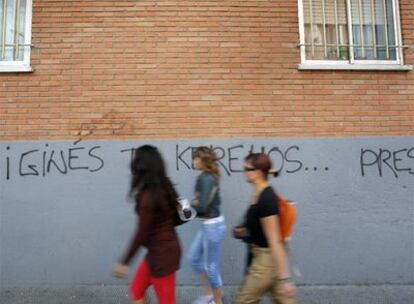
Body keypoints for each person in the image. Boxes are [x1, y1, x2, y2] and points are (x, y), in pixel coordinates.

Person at [113, 145, 182, 304]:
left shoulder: (148, 197)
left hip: (163, 256)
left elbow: (141, 233)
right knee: (136, 290)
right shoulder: (165, 185)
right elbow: (179, 214)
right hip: (157, 252)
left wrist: (125, 262)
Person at [234, 153, 296, 304]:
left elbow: (275, 241)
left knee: (243, 300)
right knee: (284, 301)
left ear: (259, 172)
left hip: (266, 261)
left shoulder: (266, 199)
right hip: (261, 256)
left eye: (247, 168)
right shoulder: (257, 195)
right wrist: (244, 232)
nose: (244, 171)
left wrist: (285, 278)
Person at [187, 146, 227, 304]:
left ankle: (217, 301)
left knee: (211, 268)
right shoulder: (207, 176)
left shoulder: (206, 178)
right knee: (193, 258)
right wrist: (192, 204)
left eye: (196, 158)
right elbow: (203, 203)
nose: (194, 161)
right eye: (194, 158)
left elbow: (202, 207)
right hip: (209, 225)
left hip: (213, 227)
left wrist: (187, 208)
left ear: (204, 161)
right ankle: (209, 293)